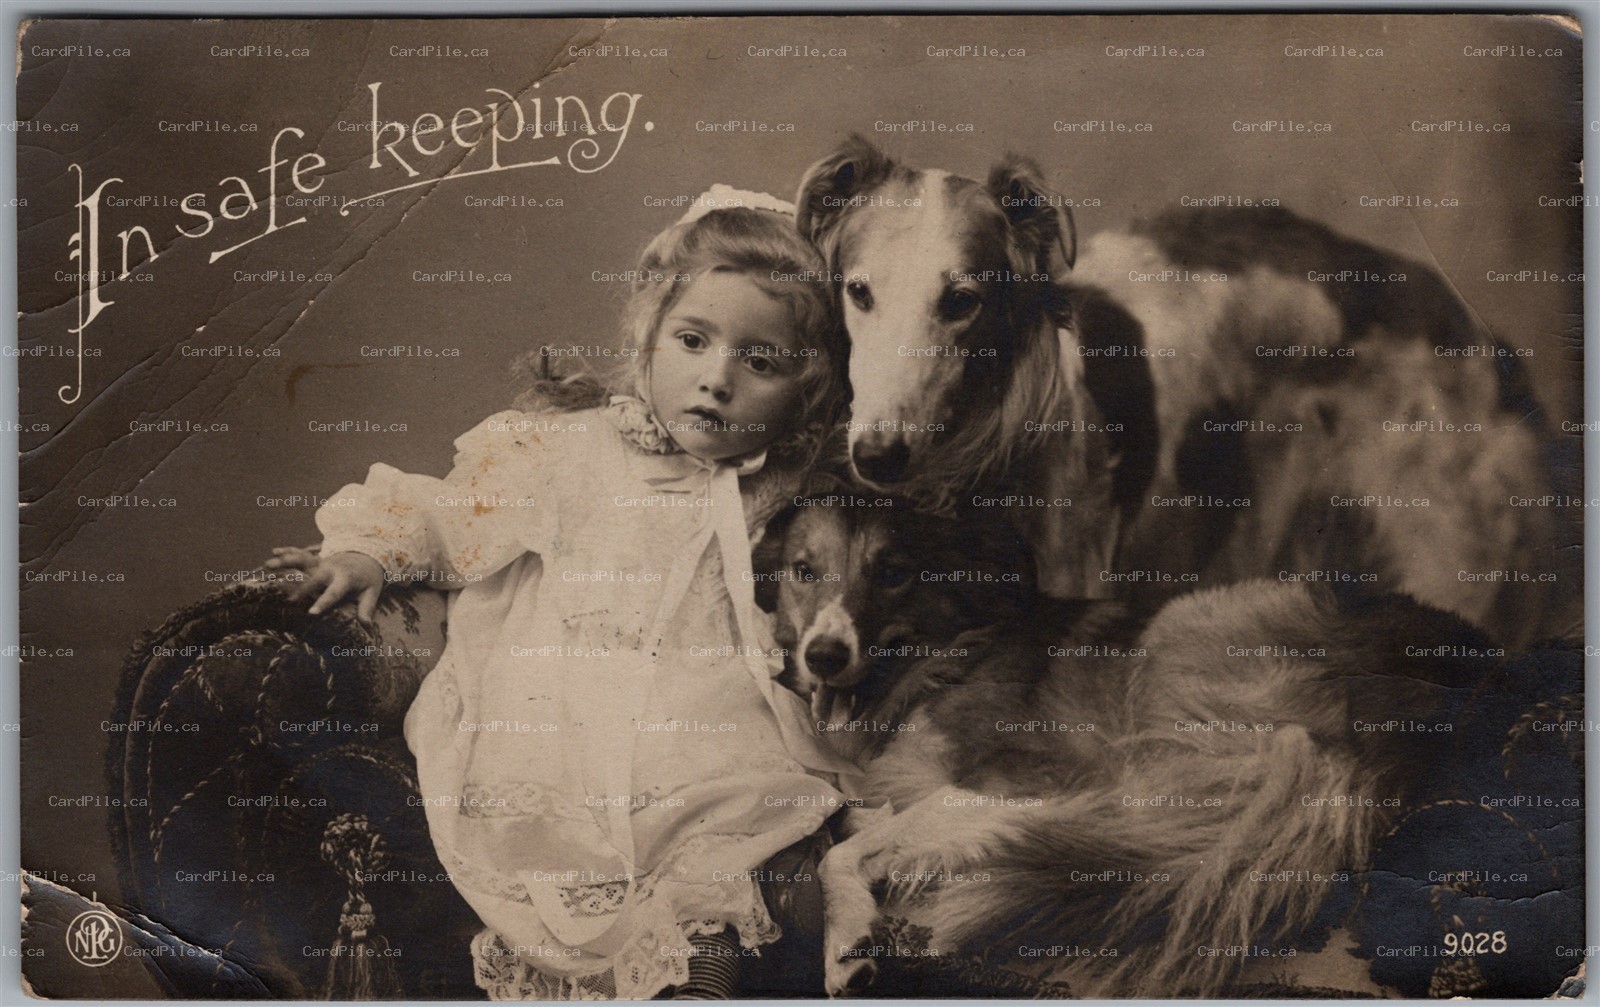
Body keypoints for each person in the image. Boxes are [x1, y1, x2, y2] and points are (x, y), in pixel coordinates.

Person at [265, 203, 859, 1000]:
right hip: (568, 715)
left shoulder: (788, 489)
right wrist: (369, 548)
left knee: (725, 815)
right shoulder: (570, 450)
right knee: (560, 829)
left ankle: (697, 964)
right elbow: (450, 511)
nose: (717, 377)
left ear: (805, 390)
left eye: (761, 362)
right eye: (693, 340)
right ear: (648, 335)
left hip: (709, 718)